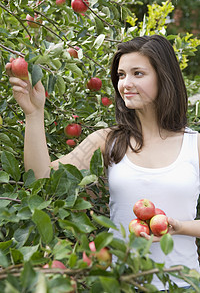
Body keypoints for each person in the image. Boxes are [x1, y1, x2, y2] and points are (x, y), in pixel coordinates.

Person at [6, 34, 200, 290]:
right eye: (121, 75)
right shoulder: (107, 140)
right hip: (118, 282)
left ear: (164, 77)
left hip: (182, 283)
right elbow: (41, 179)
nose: (126, 84)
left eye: (138, 73)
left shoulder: (194, 145)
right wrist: (34, 113)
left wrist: (179, 227)